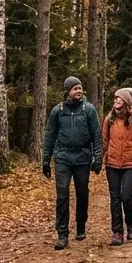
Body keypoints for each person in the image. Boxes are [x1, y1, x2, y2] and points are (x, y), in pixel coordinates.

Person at [42, 76, 102, 250]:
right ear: (68, 91)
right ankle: (62, 234)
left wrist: (98, 157)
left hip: (83, 157)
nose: (79, 91)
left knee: (82, 193)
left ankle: (81, 226)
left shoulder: (89, 109)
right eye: (75, 88)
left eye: (80, 88)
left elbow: (96, 135)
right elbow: (50, 136)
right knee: (62, 194)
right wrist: (46, 160)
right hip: (63, 157)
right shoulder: (57, 111)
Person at [101, 87, 132, 247]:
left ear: (126, 102)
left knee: (126, 196)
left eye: (119, 98)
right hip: (112, 164)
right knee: (115, 198)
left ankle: (130, 223)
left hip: (130, 165)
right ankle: (117, 232)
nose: (116, 101)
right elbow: (104, 141)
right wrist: (98, 159)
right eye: (115, 98)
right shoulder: (109, 119)